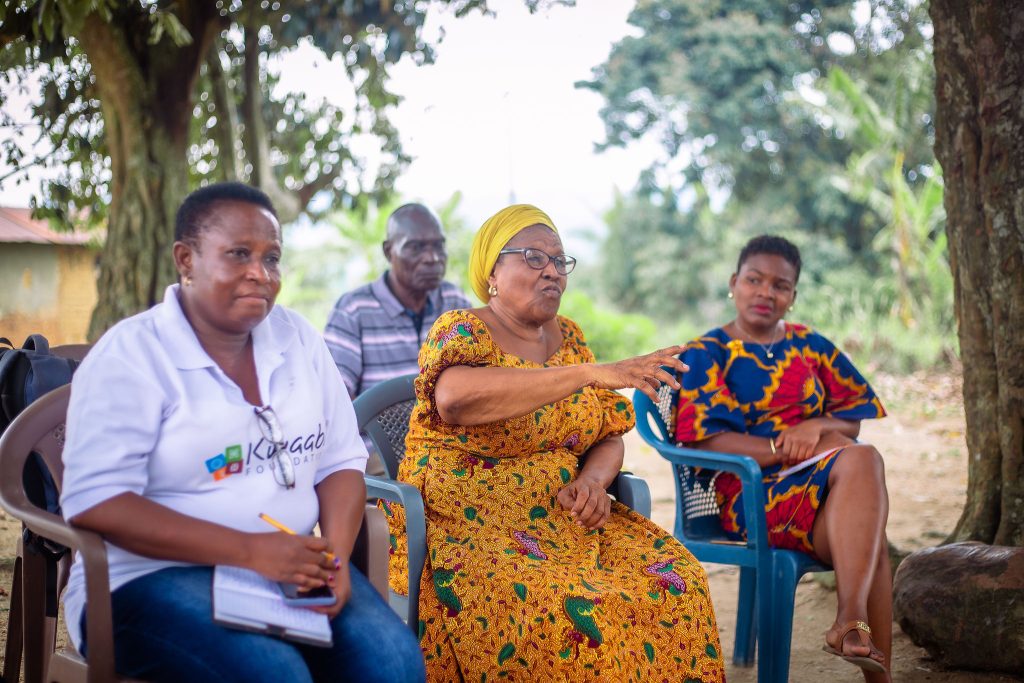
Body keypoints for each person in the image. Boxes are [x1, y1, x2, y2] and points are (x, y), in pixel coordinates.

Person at [59, 182, 425, 683]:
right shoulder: (132, 356)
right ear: (186, 260)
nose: (260, 273)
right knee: (274, 673)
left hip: (289, 566)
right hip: (144, 576)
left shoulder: (297, 339)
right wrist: (252, 552)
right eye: (238, 254)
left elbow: (340, 462)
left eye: (271, 257)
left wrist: (336, 559)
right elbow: (97, 502)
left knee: (393, 664)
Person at [383, 204, 726, 682]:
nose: (551, 271)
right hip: (472, 526)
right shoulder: (463, 328)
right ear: (492, 273)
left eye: (559, 260)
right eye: (533, 257)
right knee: (567, 612)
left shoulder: (569, 337)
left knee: (678, 582)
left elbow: (607, 431)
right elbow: (455, 400)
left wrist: (593, 482)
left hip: (565, 520)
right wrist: (586, 373)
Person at [674, 235, 891, 682]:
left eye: (780, 285)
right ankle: (852, 622)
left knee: (867, 514)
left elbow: (853, 415)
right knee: (863, 465)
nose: (766, 293)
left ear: (792, 296)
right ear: (734, 283)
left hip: (817, 483)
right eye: (754, 280)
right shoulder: (707, 352)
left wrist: (816, 427)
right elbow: (703, 441)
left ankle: (859, 639)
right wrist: (778, 449)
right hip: (751, 496)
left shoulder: (809, 345)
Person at [324, 203, 472, 398]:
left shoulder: (455, 303)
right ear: (388, 251)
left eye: (438, 246)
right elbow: (336, 398)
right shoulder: (354, 311)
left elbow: (475, 379)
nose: (432, 258)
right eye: (416, 247)